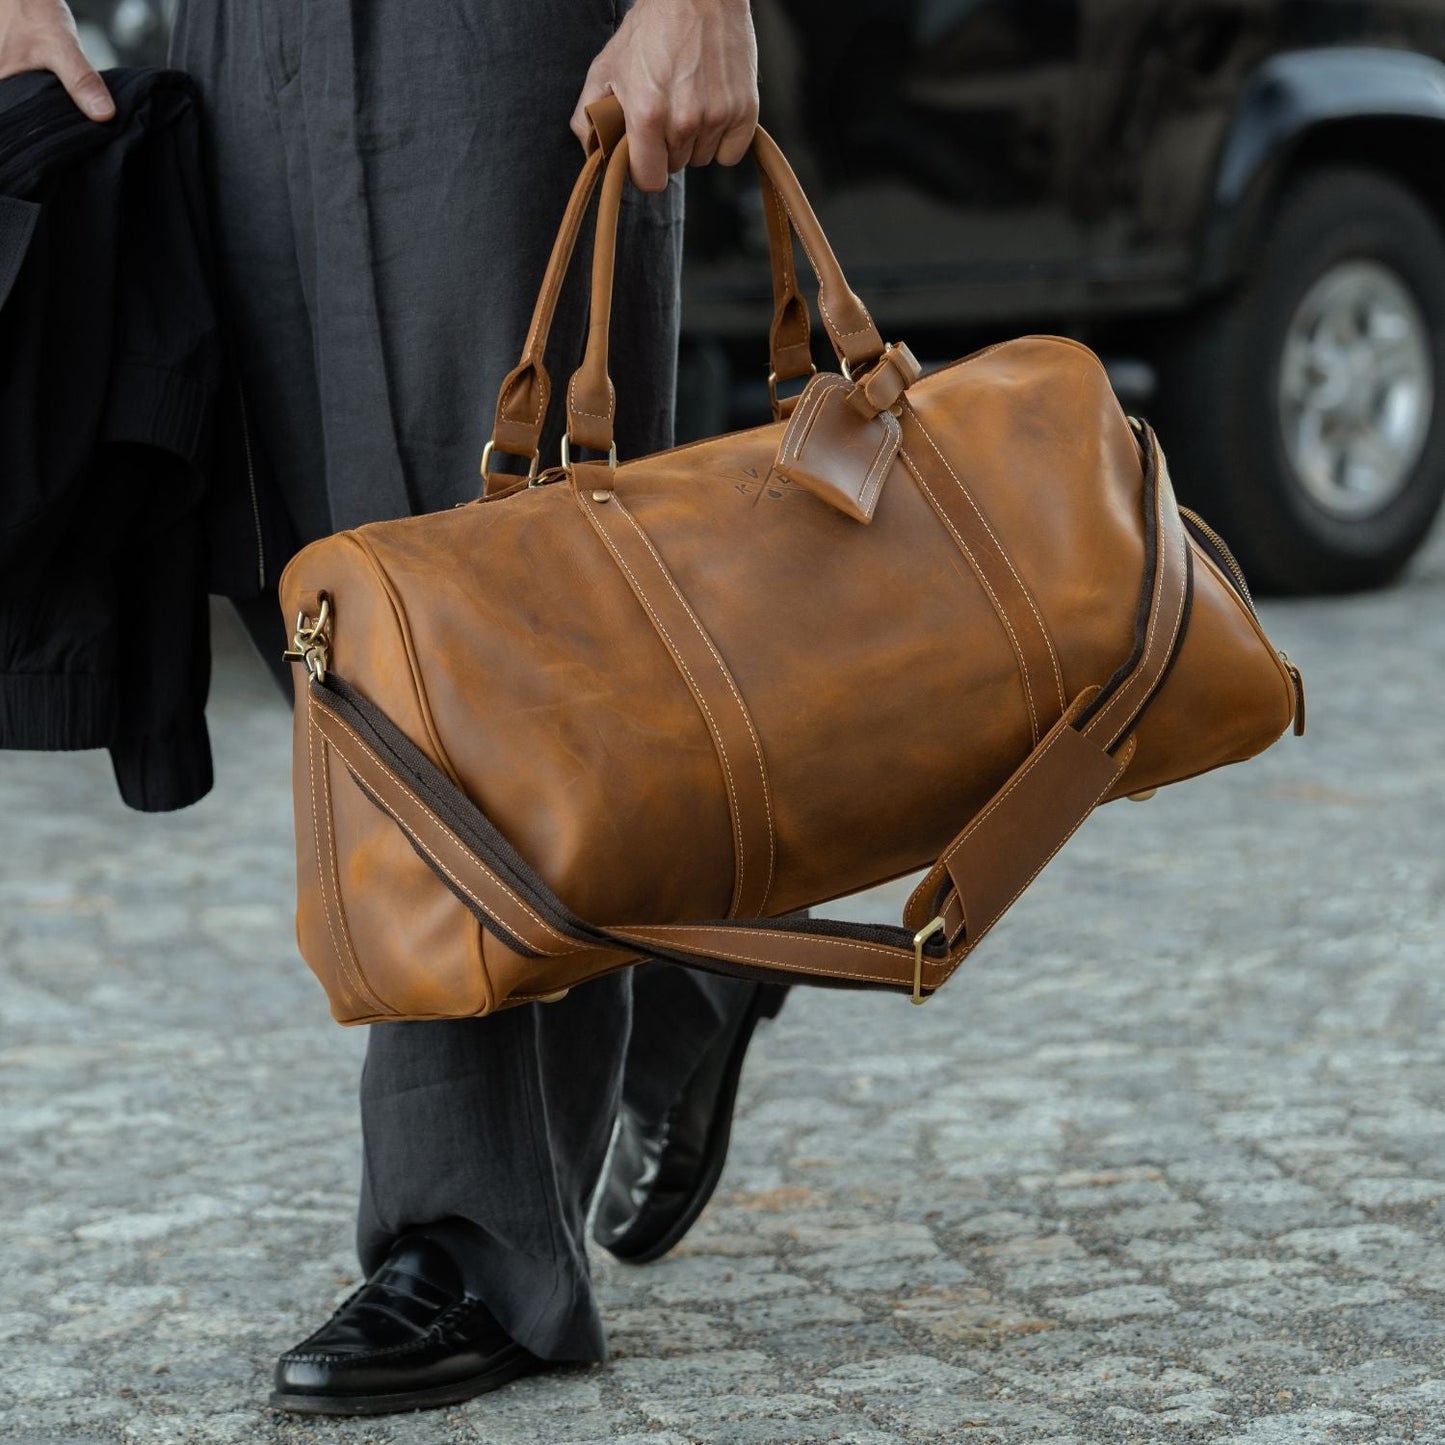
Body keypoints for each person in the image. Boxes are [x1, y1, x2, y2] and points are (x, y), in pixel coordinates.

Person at [0, 0, 789, 1416]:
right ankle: (681, 960)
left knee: (479, 614)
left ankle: (473, 1239)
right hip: (230, 35)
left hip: (488, 52)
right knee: (280, 558)